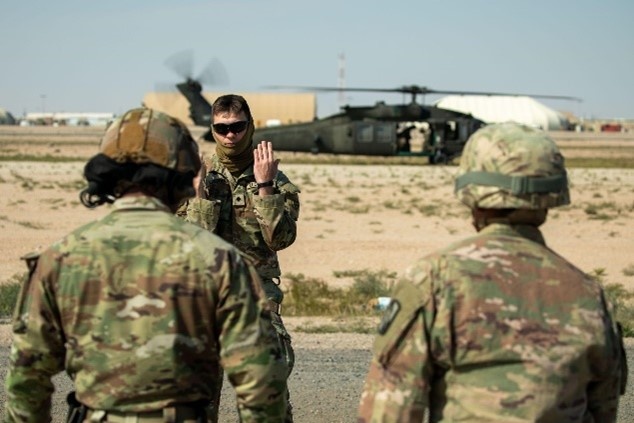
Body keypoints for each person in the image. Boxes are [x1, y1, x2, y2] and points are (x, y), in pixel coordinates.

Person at [4, 108, 288, 423]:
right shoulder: (221, 260)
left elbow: (26, 381)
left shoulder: (58, 260)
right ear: (184, 173)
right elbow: (261, 384)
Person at [358, 122, 627, 422]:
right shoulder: (589, 294)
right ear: (552, 193)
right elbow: (603, 410)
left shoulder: (432, 281)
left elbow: (389, 410)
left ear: (472, 194)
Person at [179, 94, 300, 422]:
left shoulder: (276, 180)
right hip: (204, 302)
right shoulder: (196, 176)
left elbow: (281, 239)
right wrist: (199, 196)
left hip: (256, 302)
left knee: (267, 403)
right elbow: (190, 246)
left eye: (237, 126)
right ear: (213, 129)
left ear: (250, 126)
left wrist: (264, 187)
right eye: (222, 128)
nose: (230, 134)